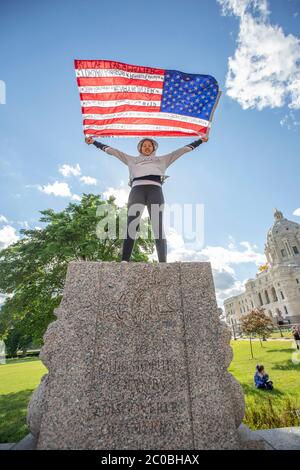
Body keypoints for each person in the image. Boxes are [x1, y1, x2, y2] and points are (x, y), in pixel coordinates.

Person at [85, 135, 208, 262]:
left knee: (157, 226)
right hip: (137, 191)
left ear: (154, 147)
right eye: (144, 145)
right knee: (132, 225)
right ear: (140, 148)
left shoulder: (163, 159)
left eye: (150, 145)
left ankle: (162, 262)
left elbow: (182, 150)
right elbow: (113, 151)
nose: (147, 147)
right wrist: (94, 142)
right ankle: (124, 260)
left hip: (155, 191)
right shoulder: (132, 160)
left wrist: (200, 141)